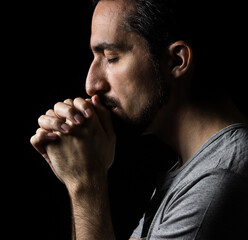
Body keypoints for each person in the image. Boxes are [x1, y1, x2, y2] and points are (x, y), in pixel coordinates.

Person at [30, 0, 248, 239]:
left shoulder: (218, 179)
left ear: (176, 60)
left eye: (111, 57)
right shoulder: (193, 168)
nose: (91, 84)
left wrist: (85, 183)